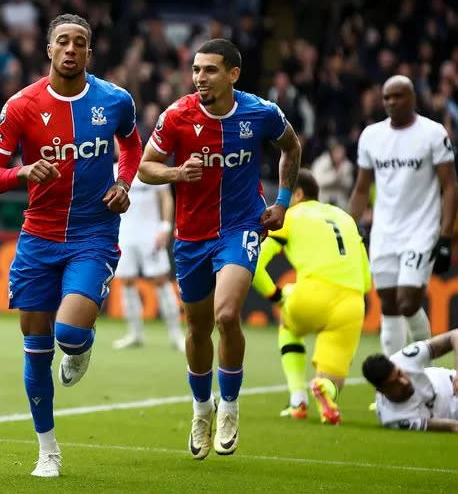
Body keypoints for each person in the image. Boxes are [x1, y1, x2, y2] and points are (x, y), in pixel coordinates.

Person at [0, 13, 141, 478]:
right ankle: (47, 449)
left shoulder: (115, 100)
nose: (71, 49)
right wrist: (22, 172)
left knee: (68, 335)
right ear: (49, 50)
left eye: (80, 43)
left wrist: (124, 183)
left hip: (93, 234)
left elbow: (131, 147)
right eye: (62, 42)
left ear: (90, 52)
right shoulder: (22, 105)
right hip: (39, 238)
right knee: (36, 348)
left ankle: (81, 345)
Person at [137, 38, 301, 459]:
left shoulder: (259, 112)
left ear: (233, 74)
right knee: (197, 328)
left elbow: (291, 146)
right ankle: (201, 408)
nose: (199, 78)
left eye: (209, 70)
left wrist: (282, 202)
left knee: (226, 316)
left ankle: (228, 406)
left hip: (241, 226)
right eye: (195, 69)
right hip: (191, 234)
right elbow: (146, 166)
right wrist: (176, 172)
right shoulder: (177, 115)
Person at [349, 75, 457, 357]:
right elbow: (362, 188)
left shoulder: (433, 133)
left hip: (421, 231)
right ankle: (393, 380)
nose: (391, 102)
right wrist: (351, 226)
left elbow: (450, 185)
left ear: (412, 98)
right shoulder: (371, 136)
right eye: (387, 97)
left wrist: (445, 235)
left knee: (408, 302)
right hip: (384, 232)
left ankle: (425, 368)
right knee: (389, 305)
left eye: (398, 96)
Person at [252, 170, 371, 425]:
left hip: (312, 294)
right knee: (333, 379)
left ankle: (298, 399)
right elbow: (367, 278)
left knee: (288, 324)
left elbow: (254, 263)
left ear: (297, 194)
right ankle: (324, 389)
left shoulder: (290, 216)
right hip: (352, 302)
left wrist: (276, 297)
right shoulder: (346, 218)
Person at [111, 162, 184, 351]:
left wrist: (165, 227)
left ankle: (177, 336)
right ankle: (135, 334)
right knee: (126, 281)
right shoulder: (112, 170)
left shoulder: (151, 168)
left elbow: (166, 198)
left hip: (150, 233)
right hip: (124, 233)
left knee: (160, 280)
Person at [362, 329, 458, 432]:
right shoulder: (396, 419)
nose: (404, 382)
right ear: (381, 391)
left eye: (400, 373)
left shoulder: (404, 358)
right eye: (394, 384)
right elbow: (453, 426)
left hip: (451, 379)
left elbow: (454, 335)